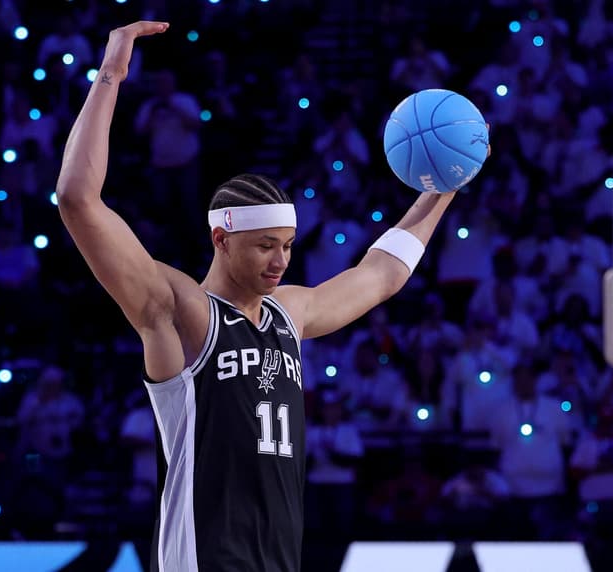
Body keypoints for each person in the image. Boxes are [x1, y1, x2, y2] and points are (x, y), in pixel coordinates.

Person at [56, 20, 488, 572]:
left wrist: (447, 184)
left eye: (286, 245)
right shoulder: (182, 311)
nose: (281, 260)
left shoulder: (289, 312)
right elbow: (77, 199)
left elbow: (381, 275)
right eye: (264, 246)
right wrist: (113, 72)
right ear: (221, 239)